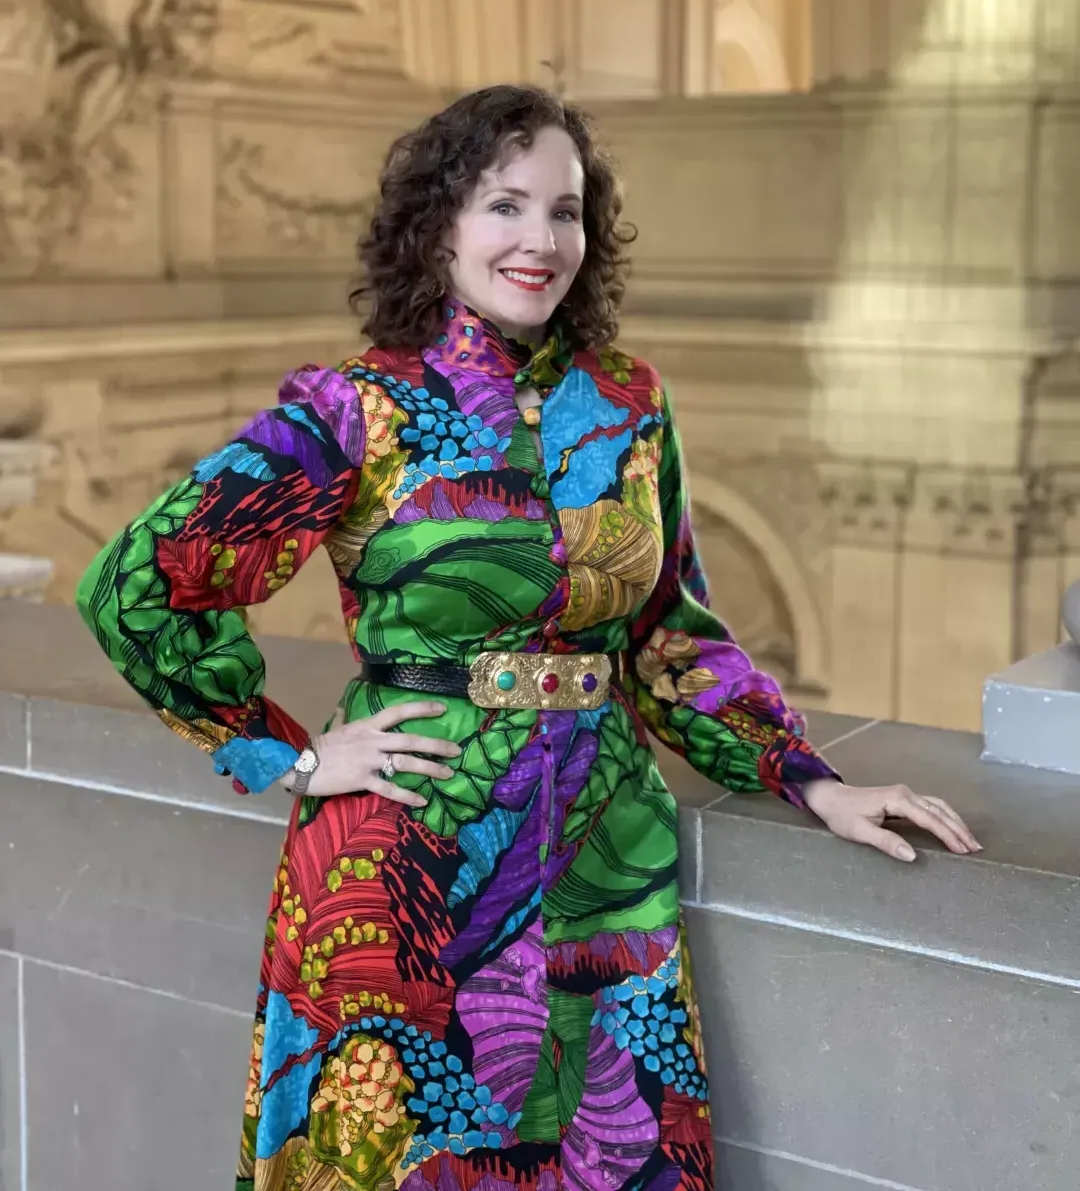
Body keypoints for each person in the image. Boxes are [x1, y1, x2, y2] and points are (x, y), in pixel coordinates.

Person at [76, 85, 980, 1191]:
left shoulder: (629, 403)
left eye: (567, 211)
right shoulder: (359, 408)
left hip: (609, 863)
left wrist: (806, 778)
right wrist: (290, 753)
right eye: (506, 205)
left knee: (613, 1154)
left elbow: (666, 632)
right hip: (403, 864)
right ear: (441, 223)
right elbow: (139, 582)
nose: (540, 241)